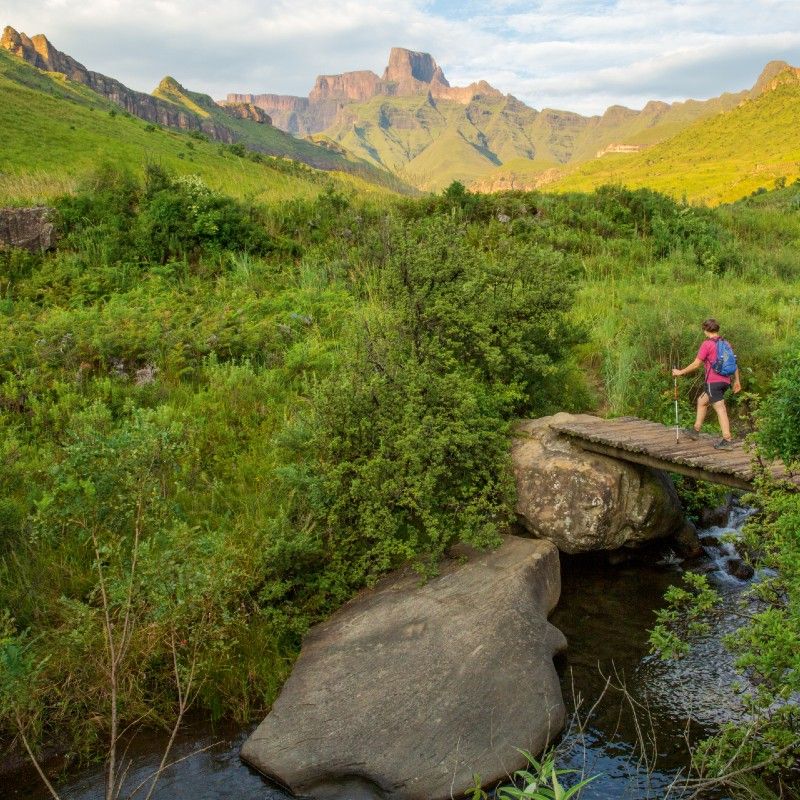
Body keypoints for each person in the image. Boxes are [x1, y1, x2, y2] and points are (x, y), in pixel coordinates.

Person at [671, 318, 742, 449]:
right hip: (725, 381)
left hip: (713, 382)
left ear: (705, 330)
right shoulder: (726, 343)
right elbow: (734, 363)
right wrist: (737, 380)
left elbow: (697, 364)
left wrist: (680, 372)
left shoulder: (707, 344)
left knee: (720, 408)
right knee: (702, 401)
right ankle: (695, 431)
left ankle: (727, 440)